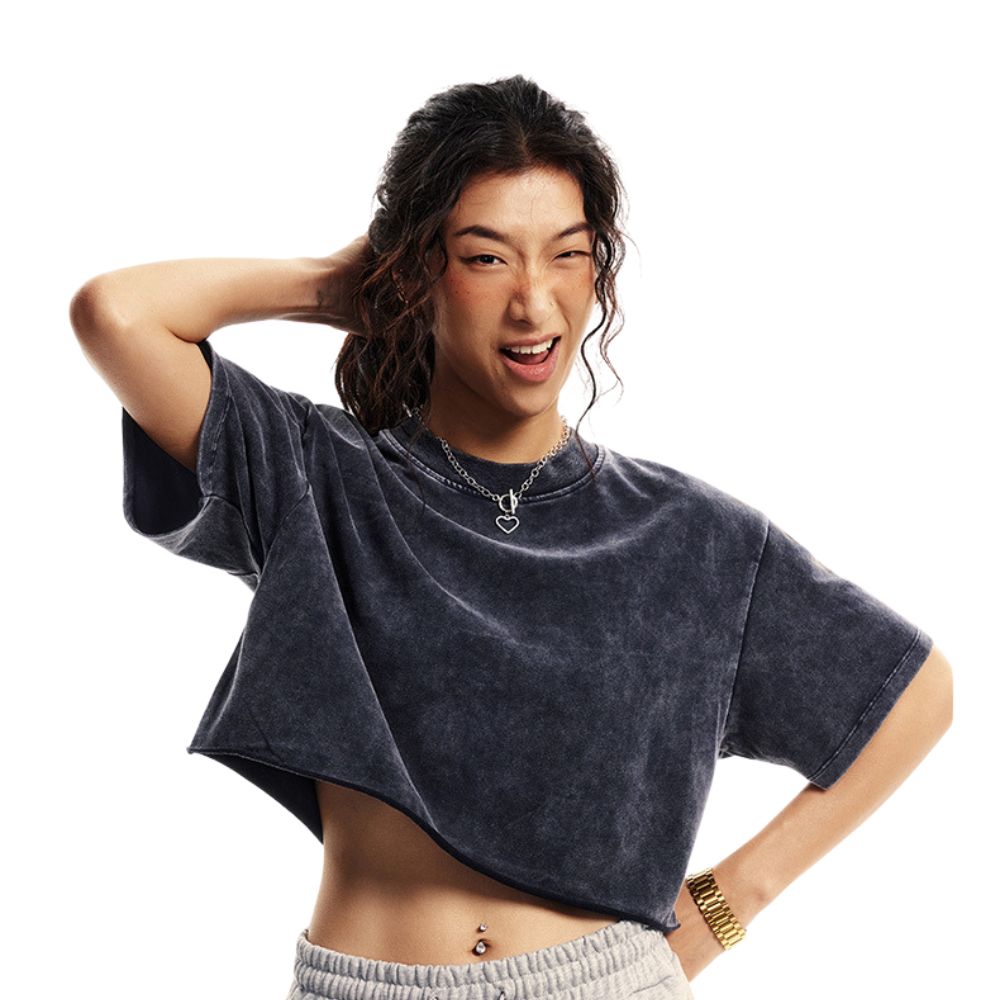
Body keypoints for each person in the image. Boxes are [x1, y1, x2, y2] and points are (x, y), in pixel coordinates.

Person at [70, 75, 953, 1000]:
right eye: (486, 258)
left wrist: (724, 907)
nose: (534, 303)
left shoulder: (690, 536)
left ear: (598, 271)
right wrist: (333, 288)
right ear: (418, 271)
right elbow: (118, 315)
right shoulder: (319, 475)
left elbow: (914, 694)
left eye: (566, 255)